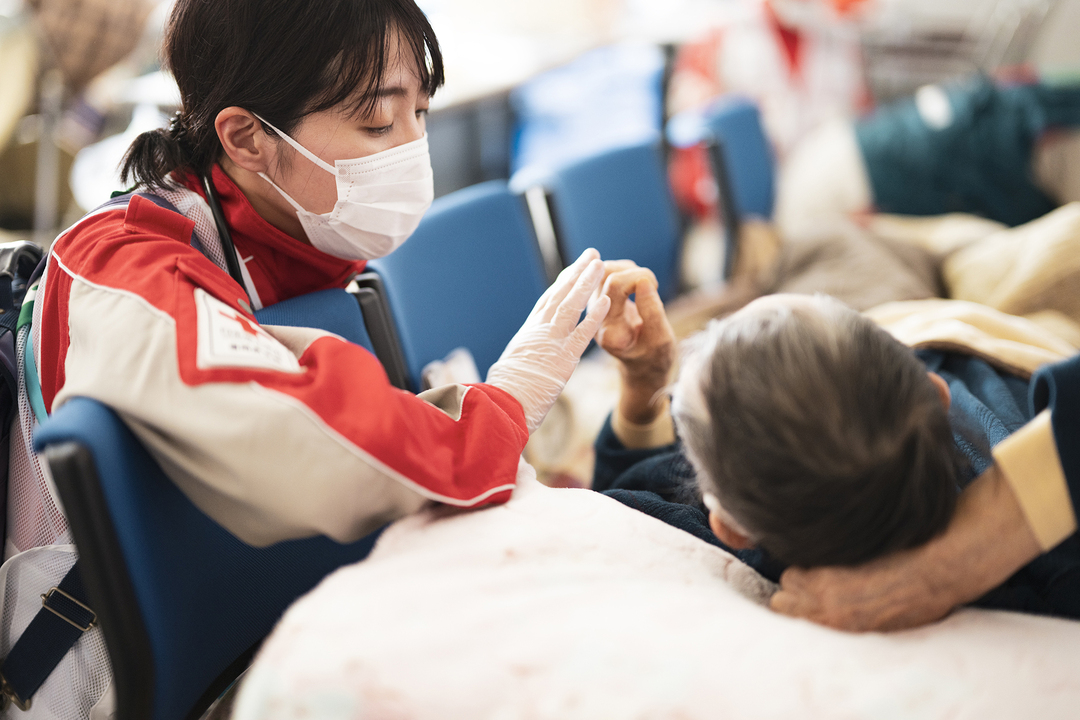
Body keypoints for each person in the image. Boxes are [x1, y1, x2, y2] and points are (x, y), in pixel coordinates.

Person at [6, 0, 611, 715]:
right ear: (247, 138)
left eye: (420, 112)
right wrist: (496, 413)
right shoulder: (123, 267)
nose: (413, 148)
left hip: (270, 632)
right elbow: (307, 442)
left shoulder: (289, 234)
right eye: (378, 123)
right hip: (108, 683)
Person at [591, 261, 1079, 626]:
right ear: (935, 392)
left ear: (728, 527)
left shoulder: (732, 539)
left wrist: (641, 393)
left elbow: (620, 502)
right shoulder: (1053, 561)